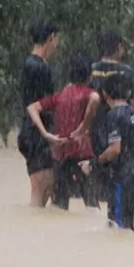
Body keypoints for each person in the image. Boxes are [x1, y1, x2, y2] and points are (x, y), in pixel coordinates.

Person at [26, 53, 100, 211]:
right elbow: (95, 99)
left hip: (61, 157)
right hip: (82, 157)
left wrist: (46, 134)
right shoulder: (86, 92)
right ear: (88, 74)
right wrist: (83, 126)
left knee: (60, 206)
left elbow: (32, 108)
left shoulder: (60, 96)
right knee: (92, 206)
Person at [85, 73, 134, 231]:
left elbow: (115, 149)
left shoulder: (113, 116)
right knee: (127, 223)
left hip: (122, 177)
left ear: (105, 94)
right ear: (129, 94)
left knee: (117, 225)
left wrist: (94, 163)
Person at [19, 22, 60, 208]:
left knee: (47, 186)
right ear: (51, 38)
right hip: (37, 133)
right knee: (42, 187)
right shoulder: (39, 67)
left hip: (31, 132)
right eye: (56, 39)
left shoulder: (32, 64)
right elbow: (39, 105)